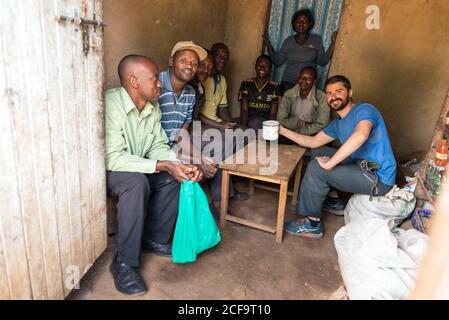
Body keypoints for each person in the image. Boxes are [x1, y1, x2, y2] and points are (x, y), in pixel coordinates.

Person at [105, 54, 202, 296]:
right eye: (154, 79)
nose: (160, 83)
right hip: (110, 171)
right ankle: (124, 263)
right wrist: (161, 165)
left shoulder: (152, 106)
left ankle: (153, 239)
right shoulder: (111, 105)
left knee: (173, 178)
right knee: (136, 182)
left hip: (139, 165)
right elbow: (113, 158)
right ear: (134, 81)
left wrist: (177, 165)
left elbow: (157, 145)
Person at [280, 75, 396, 238]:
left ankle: (312, 223)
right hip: (359, 164)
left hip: (377, 178)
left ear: (350, 92)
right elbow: (313, 142)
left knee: (317, 167)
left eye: (338, 91)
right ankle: (333, 200)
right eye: (329, 93)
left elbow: (361, 135)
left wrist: (330, 164)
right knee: (317, 152)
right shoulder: (338, 124)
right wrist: (282, 130)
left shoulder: (364, 110)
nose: (333, 96)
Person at [158, 41, 216, 179]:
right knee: (195, 170)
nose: (189, 66)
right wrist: (196, 160)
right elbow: (155, 145)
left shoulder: (190, 93)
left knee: (210, 161)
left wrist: (200, 157)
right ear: (171, 62)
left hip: (173, 147)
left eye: (195, 63)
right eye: (183, 60)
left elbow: (181, 135)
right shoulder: (156, 85)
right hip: (155, 151)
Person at [263, 8, 338, 95]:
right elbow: (277, 62)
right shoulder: (288, 41)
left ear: (309, 24)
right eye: (298, 21)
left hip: (308, 84)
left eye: (304, 21)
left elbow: (323, 62)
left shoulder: (316, 40)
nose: (301, 24)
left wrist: (333, 43)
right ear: (294, 23)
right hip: (288, 84)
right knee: (287, 107)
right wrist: (268, 44)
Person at [277, 66, 330, 144]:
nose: (304, 80)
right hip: (290, 132)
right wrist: (300, 123)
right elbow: (281, 119)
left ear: (314, 81)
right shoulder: (288, 94)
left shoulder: (322, 97)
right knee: (273, 138)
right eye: (302, 77)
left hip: (311, 134)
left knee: (323, 139)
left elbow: (322, 124)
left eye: (308, 78)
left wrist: (300, 132)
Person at [238, 54, 281, 131]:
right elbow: (244, 109)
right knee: (231, 125)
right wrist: (244, 128)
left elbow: (273, 113)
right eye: (259, 65)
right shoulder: (246, 83)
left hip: (264, 121)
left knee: (255, 123)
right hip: (248, 118)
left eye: (266, 66)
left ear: (270, 70)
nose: (262, 68)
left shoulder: (275, 86)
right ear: (255, 67)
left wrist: (269, 129)